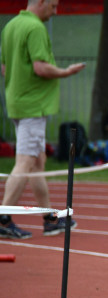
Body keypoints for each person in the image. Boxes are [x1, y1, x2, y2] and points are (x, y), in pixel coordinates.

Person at [0, 0, 85, 239]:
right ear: (40, 3)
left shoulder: (11, 26)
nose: (55, 12)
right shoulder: (35, 28)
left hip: (18, 101)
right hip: (33, 105)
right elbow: (40, 68)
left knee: (38, 162)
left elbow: (5, 68)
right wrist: (66, 72)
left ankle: (49, 218)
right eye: (53, 6)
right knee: (26, 162)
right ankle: (3, 218)